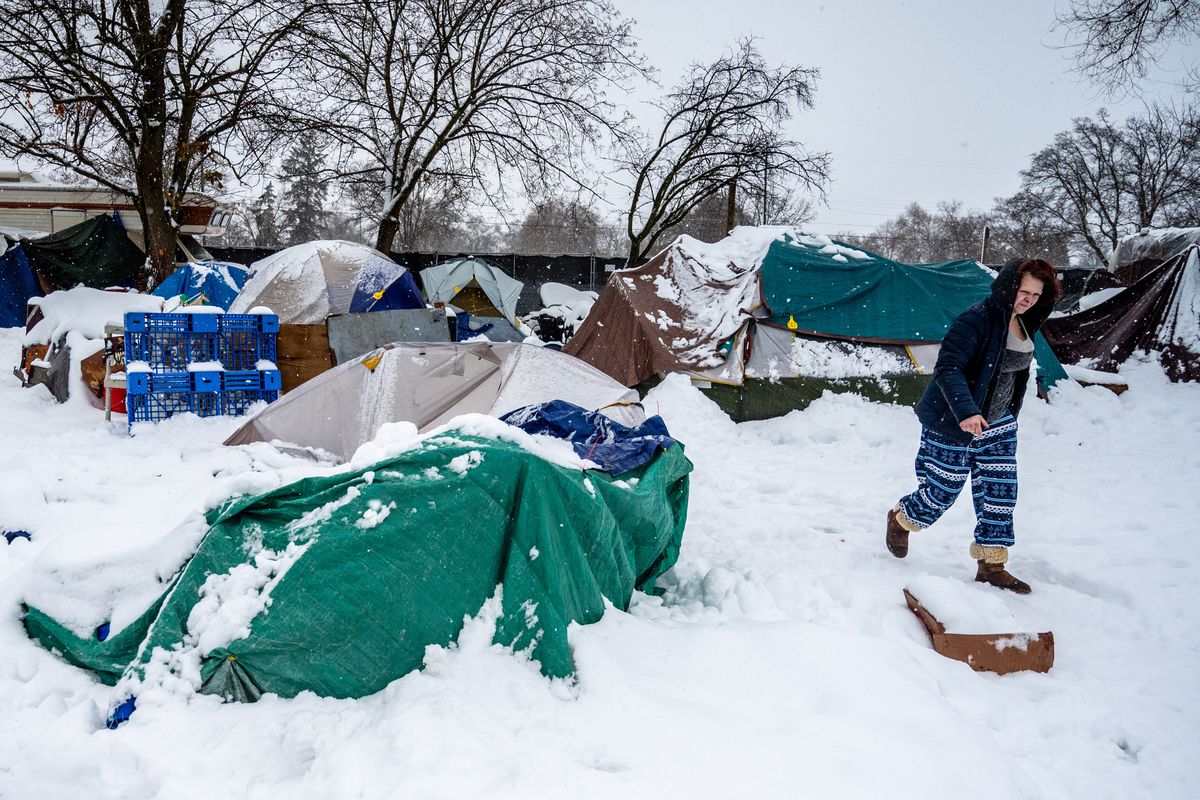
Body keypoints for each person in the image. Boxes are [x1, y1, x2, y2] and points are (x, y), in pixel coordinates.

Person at [885, 258, 1061, 594]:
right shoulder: (975, 320)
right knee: (941, 492)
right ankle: (902, 517)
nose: (1028, 300)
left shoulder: (1024, 325)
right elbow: (949, 367)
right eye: (1024, 291)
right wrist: (966, 411)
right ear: (1010, 286)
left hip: (998, 425)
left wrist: (1005, 414)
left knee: (1000, 494)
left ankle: (992, 566)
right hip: (953, 421)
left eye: (1036, 295)